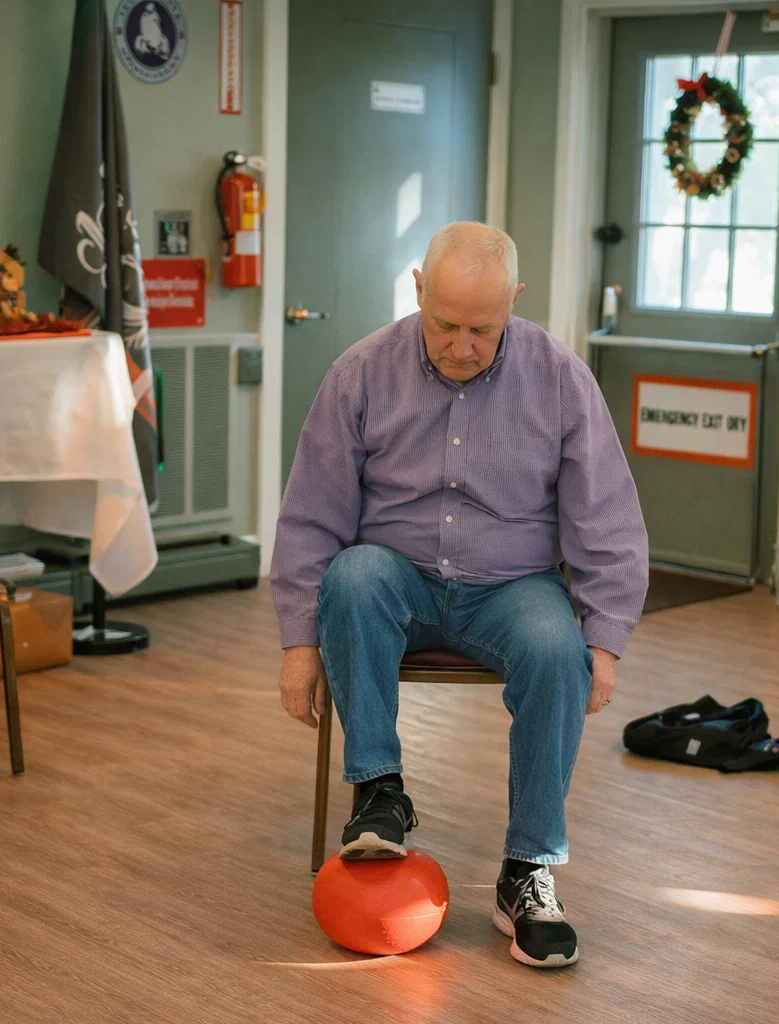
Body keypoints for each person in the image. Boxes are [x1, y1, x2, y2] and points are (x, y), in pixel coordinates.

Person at [272, 222, 649, 968]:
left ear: (515, 300)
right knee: (353, 575)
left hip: (511, 588)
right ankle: (380, 792)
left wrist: (602, 642)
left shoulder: (560, 377)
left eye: (483, 328)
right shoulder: (360, 373)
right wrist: (297, 646)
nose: (463, 345)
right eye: (445, 324)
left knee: (554, 645)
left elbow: (604, 516)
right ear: (418, 289)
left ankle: (528, 871)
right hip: (396, 582)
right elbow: (312, 515)